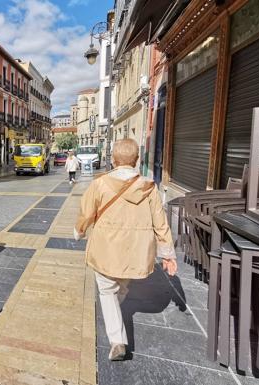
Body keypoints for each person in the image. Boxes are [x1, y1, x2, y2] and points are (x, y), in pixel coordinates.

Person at [74, 138, 177, 361]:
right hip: (136, 250)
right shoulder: (149, 187)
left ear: (112, 160)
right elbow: (161, 222)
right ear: (137, 160)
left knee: (107, 291)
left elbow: (86, 213)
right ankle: (115, 317)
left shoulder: (99, 184)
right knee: (121, 284)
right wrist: (168, 254)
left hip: (105, 247)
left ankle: (117, 341)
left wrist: (79, 231)